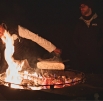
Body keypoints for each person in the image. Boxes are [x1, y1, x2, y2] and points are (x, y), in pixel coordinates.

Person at [72, 0, 103, 73]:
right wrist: (80, 47)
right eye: (80, 7)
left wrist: (98, 46)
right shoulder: (78, 23)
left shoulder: (99, 21)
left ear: (90, 7)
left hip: (97, 58)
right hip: (82, 58)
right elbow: (74, 38)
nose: (81, 8)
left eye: (83, 6)